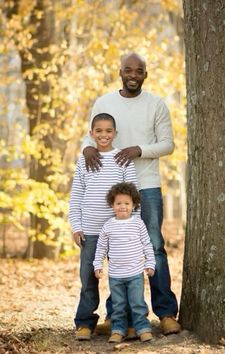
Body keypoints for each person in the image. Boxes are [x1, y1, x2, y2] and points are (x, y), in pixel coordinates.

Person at [81, 52, 181, 335]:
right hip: (113, 189)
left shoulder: (156, 104)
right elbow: (92, 136)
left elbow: (168, 144)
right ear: (120, 72)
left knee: (154, 247)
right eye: (128, 70)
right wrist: (86, 148)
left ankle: (165, 313)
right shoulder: (104, 102)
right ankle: (117, 316)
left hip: (146, 185)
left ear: (145, 74)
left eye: (139, 70)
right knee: (116, 246)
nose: (133, 74)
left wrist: (139, 150)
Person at [69, 113, 138, 340]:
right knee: (89, 276)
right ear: (91, 134)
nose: (104, 135)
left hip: (119, 231)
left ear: (115, 134)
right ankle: (85, 322)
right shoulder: (84, 160)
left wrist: (133, 226)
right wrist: (76, 226)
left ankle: (120, 320)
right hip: (90, 230)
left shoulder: (123, 160)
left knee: (121, 277)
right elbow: (77, 195)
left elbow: (133, 194)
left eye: (108, 131)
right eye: (99, 131)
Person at [93, 182, 155, 343]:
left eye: (127, 203)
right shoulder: (108, 226)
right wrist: (98, 265)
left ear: (133, 205)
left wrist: (150, 263)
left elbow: (147, 244)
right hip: (115, 276)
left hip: (135, 274)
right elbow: (101, 247)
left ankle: (142, 328)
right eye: (118, 203)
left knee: (137, 304)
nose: (122, 206)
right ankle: (118, 330)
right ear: (112, 205)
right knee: (118, 305)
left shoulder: (138, 223)